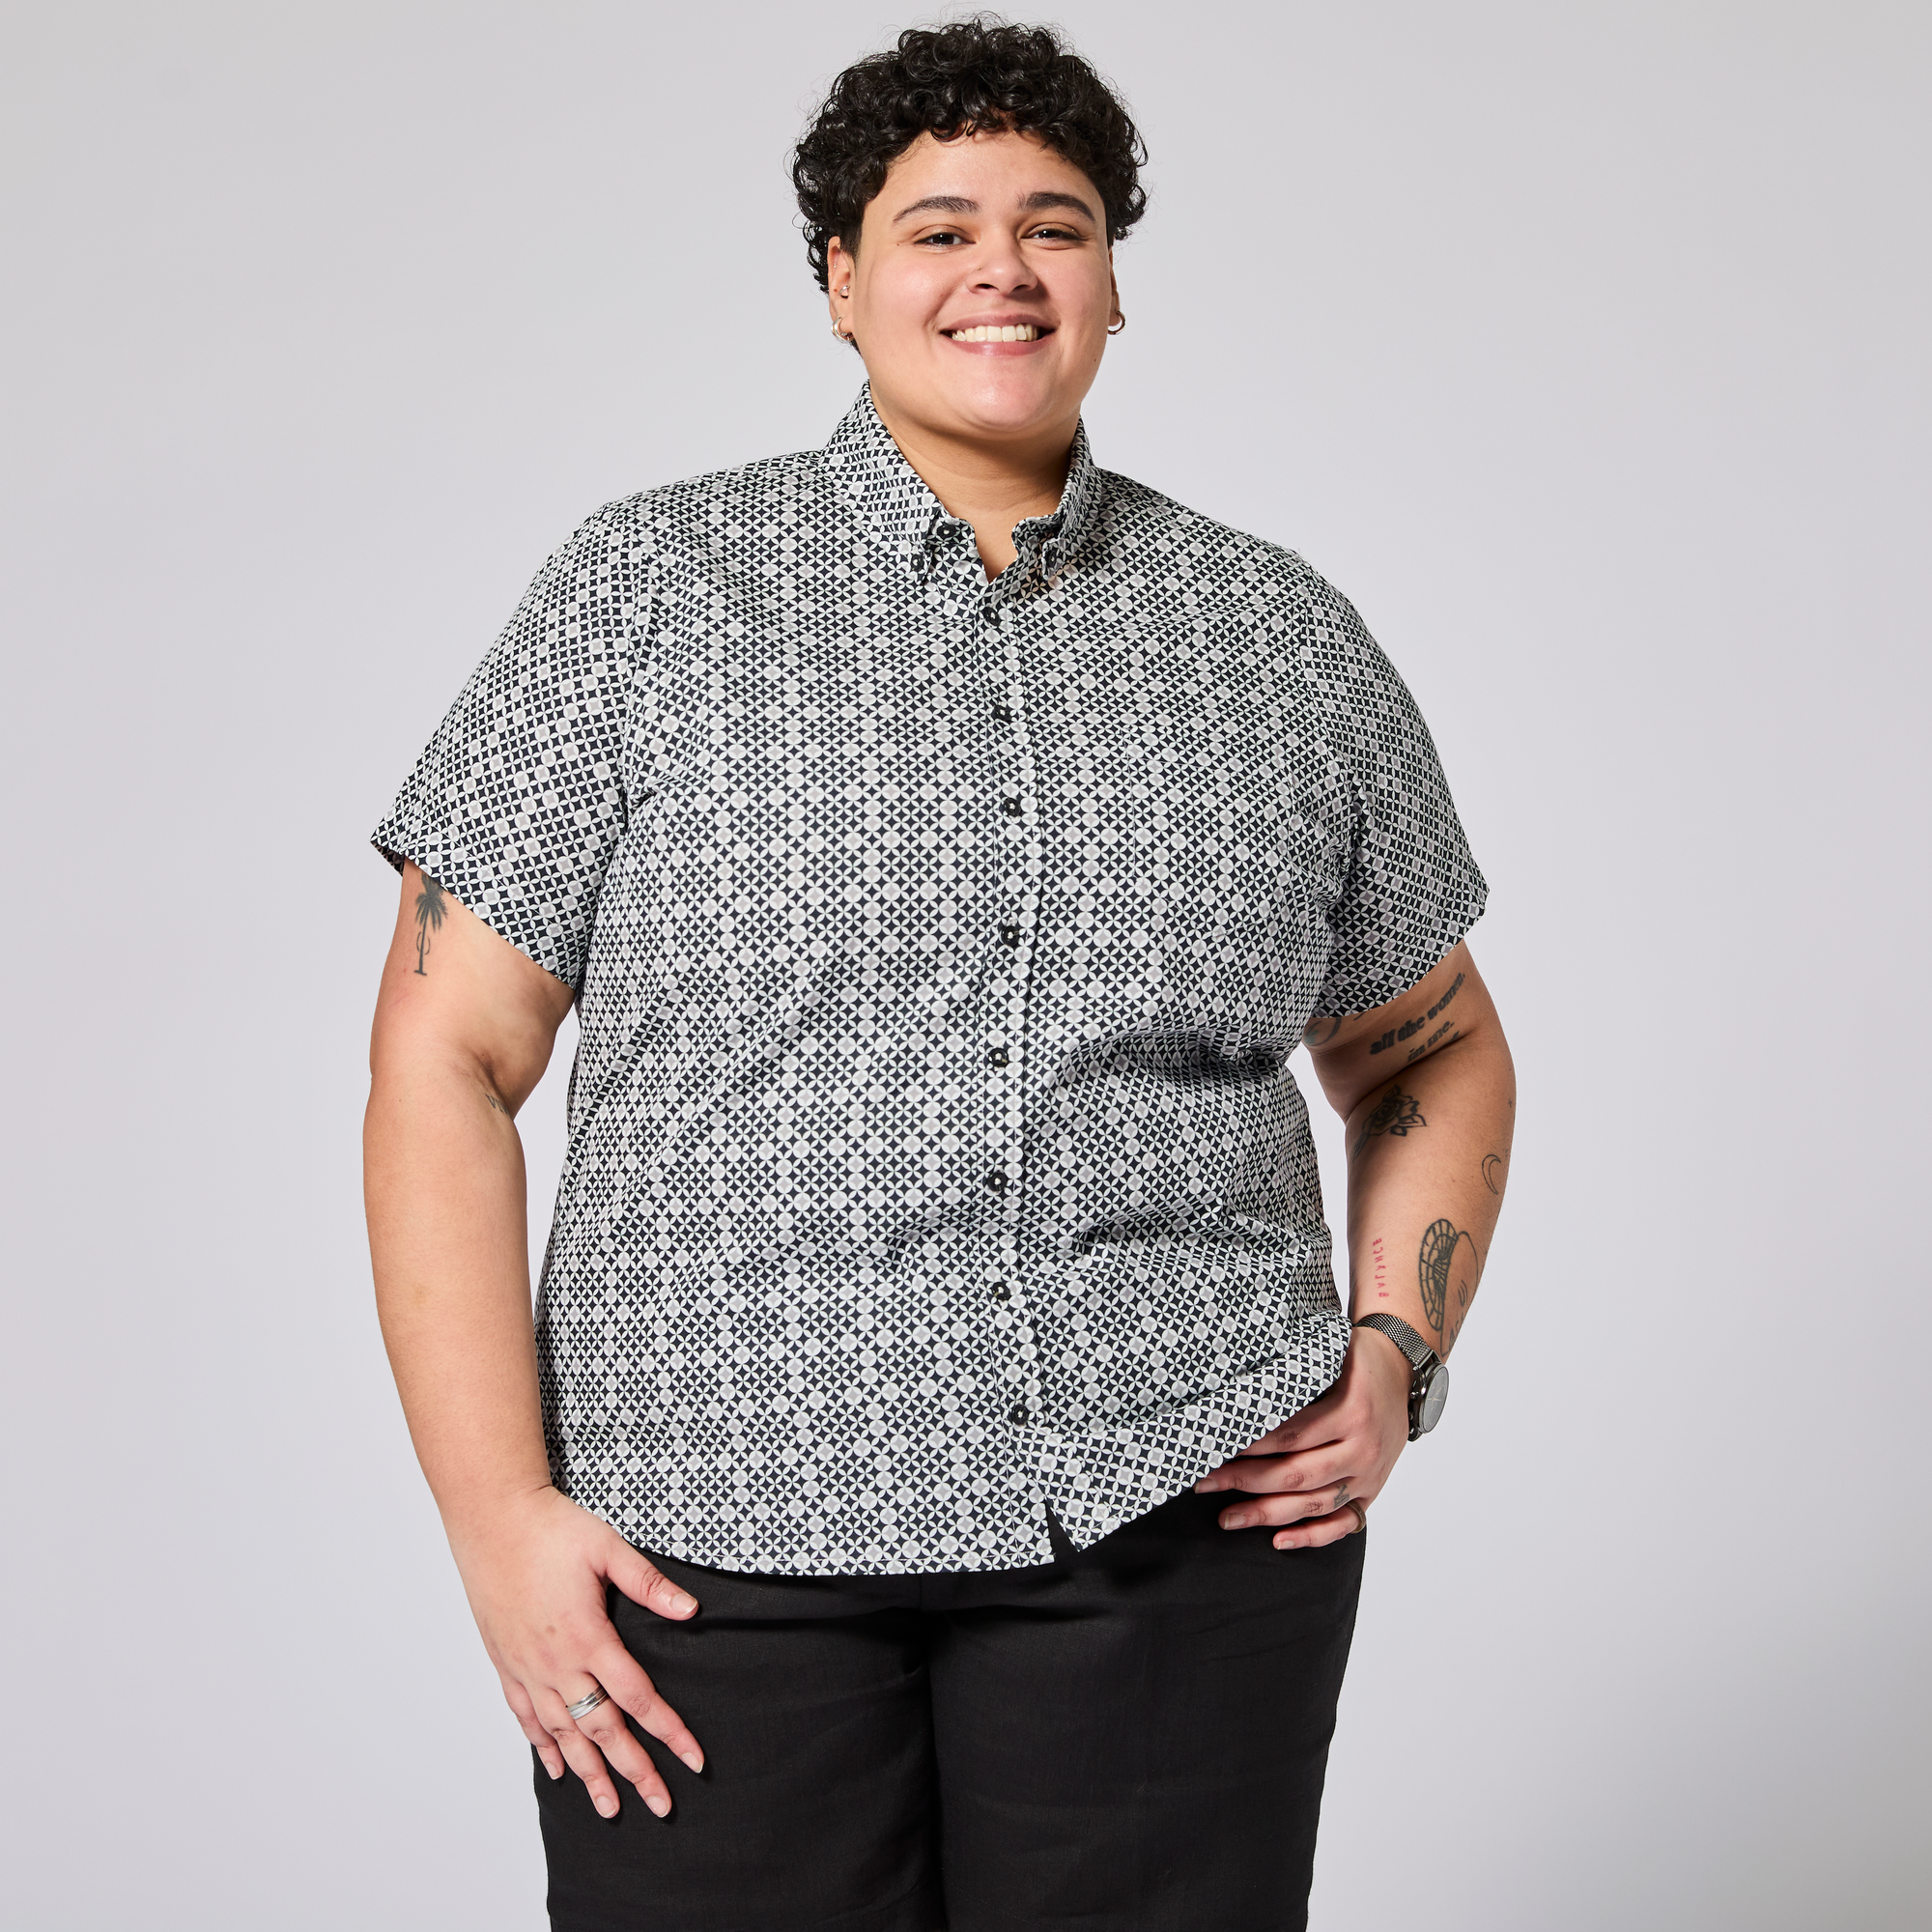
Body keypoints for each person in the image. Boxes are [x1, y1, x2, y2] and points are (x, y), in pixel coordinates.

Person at [363, 18, 1515, 1931]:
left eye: (1054, 226)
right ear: (840, 280)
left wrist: (1396, 1357)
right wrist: (498, 1516)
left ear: (1114, 286)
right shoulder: (648, 592)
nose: (1002, 268)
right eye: (937, 226)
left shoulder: (1280, 639)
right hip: (710, 1546)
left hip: (1175, 1523)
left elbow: (1436, 1050)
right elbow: (443, 1064)